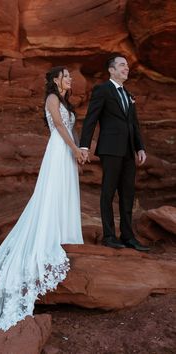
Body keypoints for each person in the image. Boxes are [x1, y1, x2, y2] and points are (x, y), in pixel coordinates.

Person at [0, 66, 84, 343]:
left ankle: (63, 232)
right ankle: (49, 235)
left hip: (67, 151)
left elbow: (70, 126)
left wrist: (78, 151)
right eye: (67, 76)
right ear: (55, 79)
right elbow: (60, 127)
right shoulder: (52, 99)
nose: (71, 79)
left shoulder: (66, 102)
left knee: (65, 192)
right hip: (58, 150)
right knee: (50, 194)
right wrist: (73, 148)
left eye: (70, 76)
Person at [80, 54, 149, 252]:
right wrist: (85, 145)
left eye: (126, 66)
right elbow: (91, 118)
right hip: (110, 149)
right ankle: (109, 236)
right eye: (121, 65)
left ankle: (128, 236)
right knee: (108, 192)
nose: (126, 68)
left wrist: (140, 147)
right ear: (111, 70)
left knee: (128, 193)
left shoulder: (128, 94)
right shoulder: (103, 90)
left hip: (128, 150)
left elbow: (133, 124)